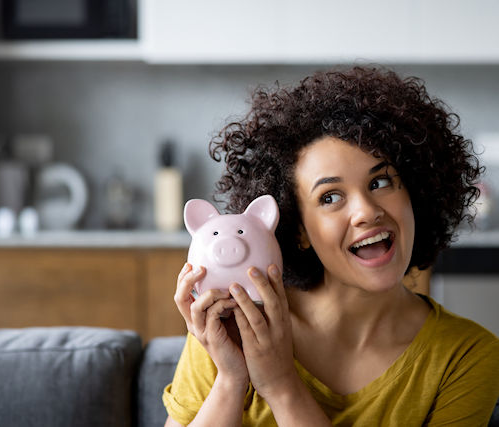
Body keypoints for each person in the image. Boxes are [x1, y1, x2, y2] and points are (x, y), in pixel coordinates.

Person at [163, 66, 499, 426]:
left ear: (415, 192)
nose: (366, 212)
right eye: (330, 197)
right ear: (298, 230)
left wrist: (281, 385)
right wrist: (231, 380)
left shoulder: (466, 356)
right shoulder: (234, 323)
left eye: (381, 181)